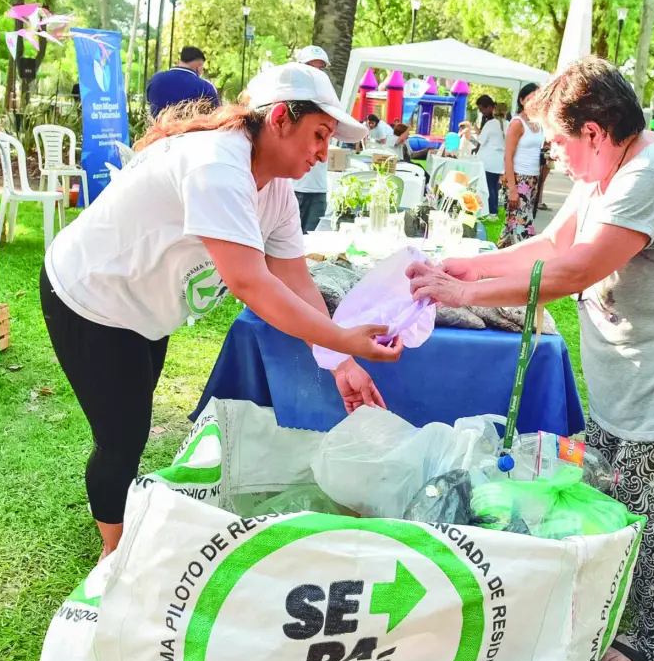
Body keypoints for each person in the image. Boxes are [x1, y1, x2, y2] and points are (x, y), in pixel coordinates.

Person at [405, 56, 654, 661]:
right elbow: (551, 246)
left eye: (560, 143)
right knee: (619, 485)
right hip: (639, 362)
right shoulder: (607, 172)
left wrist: (461, 296)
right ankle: (618, 610)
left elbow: (573, 273)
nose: (556, 158)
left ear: (594, 132)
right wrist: (468, 267)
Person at [41, 63, 401, 557]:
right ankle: (114, 557)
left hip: (144, 309)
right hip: (91, 296)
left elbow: (294, 278)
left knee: (130, 418)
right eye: (319, 134)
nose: (324, 152)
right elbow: (250, 281)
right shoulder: (219, 164)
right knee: (122, 435)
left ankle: (119, 526)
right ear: (279, 118)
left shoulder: (275, 190)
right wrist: (342, 339)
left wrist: (342, 362)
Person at [291, 45, 335, 232]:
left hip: (318, 188)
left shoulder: (330, 102)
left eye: (320, 68)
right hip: (293, 186)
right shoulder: (288, 99)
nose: (316, 73)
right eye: (311, 67)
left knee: (310, 247)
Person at [499, 83, 546, 247]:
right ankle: (522, 257)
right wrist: (512, 189)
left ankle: (502, 256)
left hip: (532, 179)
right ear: (521, 100)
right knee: (523, 223)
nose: (534, 102)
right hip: (518, 178)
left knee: (514, 223)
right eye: (530, 98)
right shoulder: (517, 123)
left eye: (537, 98)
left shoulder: (539, 124)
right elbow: (508, 157)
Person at [145, 46, 220, 118]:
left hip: (158, 130)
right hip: (190, 130)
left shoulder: (155, 79)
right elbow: (215, 116)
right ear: (199, 67)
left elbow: (150, 102)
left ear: (179, 62)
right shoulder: (205, 87)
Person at [476, 98, 507, 220]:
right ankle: (493, 210)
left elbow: (481, 140)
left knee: (488, 187)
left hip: (487, 160)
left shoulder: (490, 124)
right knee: (494, 186)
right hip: (499, 161)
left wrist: (477, 131)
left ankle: (491, 211)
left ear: (494, 111)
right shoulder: (508, 124)